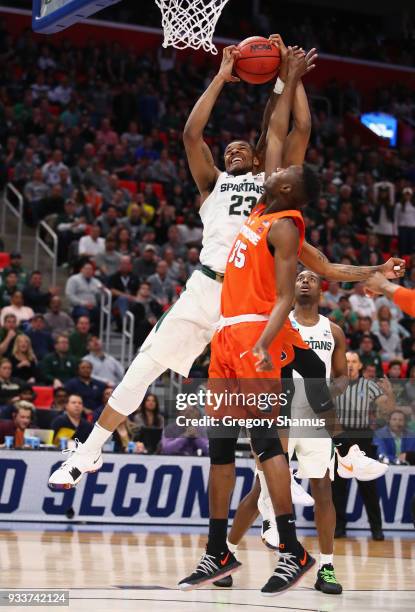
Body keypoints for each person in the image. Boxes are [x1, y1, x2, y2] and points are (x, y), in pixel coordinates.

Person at [48, 40, 404, 506]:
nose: (233, 150)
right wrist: (223, 75)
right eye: (229, 149)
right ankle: (89, 451)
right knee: (143, 368)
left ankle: (327, 464)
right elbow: (192, 136)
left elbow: (284, 131)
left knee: (289, 380)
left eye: (242, 148)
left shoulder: (272, 195)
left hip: (250, 297)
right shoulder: (213, 185)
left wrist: (286, 77)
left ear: (258, 160)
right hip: (205, 288)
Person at [226, 270, 348, 594]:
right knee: (260, 490)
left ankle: (326, 568)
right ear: (290, 287)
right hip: (278, 414)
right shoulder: (277, 323)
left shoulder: (333, 331)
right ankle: (228, 553)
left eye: (311, 277)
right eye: (299, 277)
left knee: (323, 490)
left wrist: (322, 397)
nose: (305, 281)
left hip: (315, 419)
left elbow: (342, 377)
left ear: (321, 288)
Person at [332, 352, 392, 540]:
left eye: (353, 362)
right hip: (339, 437)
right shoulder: (334, 384)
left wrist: (389, 394)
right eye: (346, 361)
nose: (349, 365)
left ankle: (376, 528)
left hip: (363, 438)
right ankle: (339, 527)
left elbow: (387, 409)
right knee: (338, 488)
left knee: (369, 487)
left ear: (360, 366)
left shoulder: (369, 385)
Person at [65, 262, 102, 330]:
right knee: (84, 314)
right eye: (86, 269)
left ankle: (95, 335)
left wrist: (102, 292)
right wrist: (83, 303)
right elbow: (69, 295)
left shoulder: (96, 281)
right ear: (81, 270)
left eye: (91, 269)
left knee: (104, 315)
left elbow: (100, 296)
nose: (88, 271)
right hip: (77, 306)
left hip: (93, 306)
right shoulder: (73, 279)